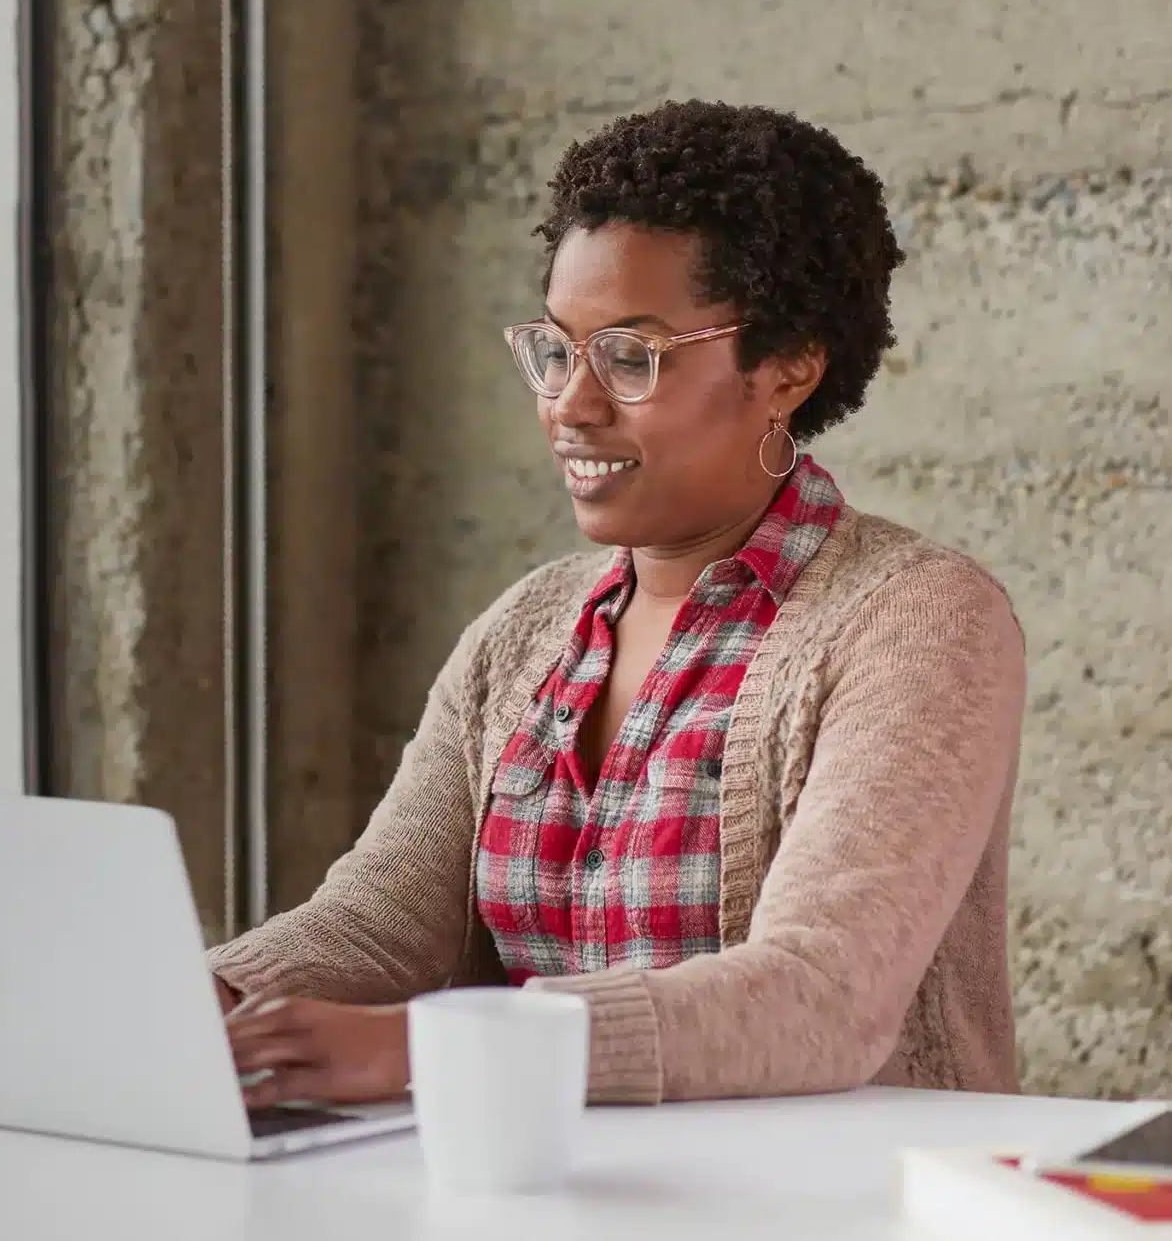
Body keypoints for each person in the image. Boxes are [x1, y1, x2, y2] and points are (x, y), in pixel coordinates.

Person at [211, 100, 1024, 1109]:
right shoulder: (524, 631)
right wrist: (201, 997)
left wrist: (429, 1050)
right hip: (561, 1180)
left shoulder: (917, 621)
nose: (570, 402)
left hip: (846, 1186)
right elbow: (379, 929)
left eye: (631, 357)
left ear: (787, 369)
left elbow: (820, 995)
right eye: (558, 350)